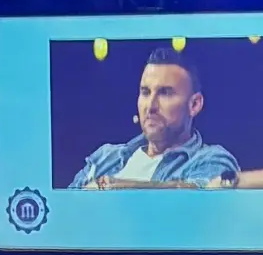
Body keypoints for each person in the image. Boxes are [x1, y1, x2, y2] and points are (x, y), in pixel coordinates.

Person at [72, 53, 242, 188]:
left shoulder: (211, 159)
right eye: (145, 92)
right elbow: (62, 212)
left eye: (165, 93)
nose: (150, 106)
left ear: (194, 105)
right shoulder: (106, 156)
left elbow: (198, 201)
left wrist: (111, 187)